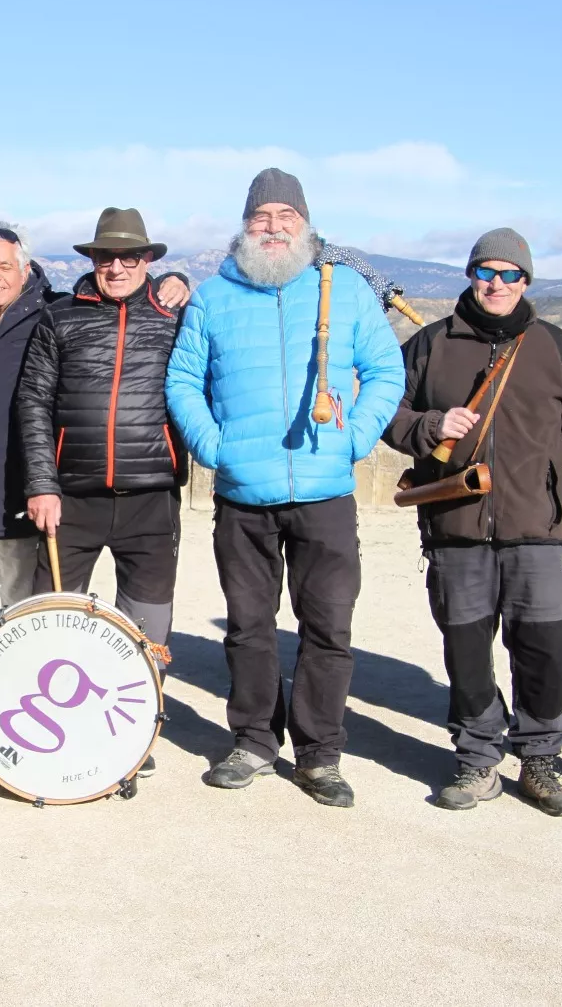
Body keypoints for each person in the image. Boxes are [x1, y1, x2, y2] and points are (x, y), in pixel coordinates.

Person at [165, 168, 404, 806]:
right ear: (245, 227)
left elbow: (386, 369)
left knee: (327, 628)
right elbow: (183, 381)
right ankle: (252, 742)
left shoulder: (345, 291)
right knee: (249, 626)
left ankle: (321, 754)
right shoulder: (213, 298)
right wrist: (214, 449)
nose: (273, 228)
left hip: (324, 492)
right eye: (261, 217)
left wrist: (354, 440)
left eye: (284, 217)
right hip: (244, 493)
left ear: (305, 224)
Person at [383, 228, 562, 816]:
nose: (497, 283)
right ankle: (478, 756)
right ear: (470, 276)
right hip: (455, 528)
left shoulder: (556, 348)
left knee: (542, 649)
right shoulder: (430, 345)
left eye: (510, 274)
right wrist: (433, 426)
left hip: (535, 528)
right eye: (487, 271)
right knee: (465, 651)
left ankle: (540, 759)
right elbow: (389, 416)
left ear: (526, 282)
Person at [15, 207, 189, 777]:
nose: (117, 266)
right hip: (72, 497)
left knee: (147, 627)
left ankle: (133, 733)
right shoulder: (59, 318)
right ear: (91, 260)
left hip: (151, 494)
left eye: (129, 257)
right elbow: (33, 404)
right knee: (55, 620)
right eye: (106, 256)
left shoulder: (174, 319)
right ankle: (59, 731)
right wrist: (41, 484)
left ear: (148, 261)